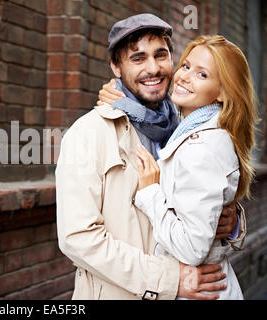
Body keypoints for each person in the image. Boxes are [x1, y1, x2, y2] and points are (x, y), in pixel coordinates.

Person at [56, 13, 245, 300]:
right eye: (138, 59)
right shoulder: (88, 134)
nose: (153, 68)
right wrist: (169, 279)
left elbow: (200, 204)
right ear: (116, 68)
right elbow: (79, 239)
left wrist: (232, 223)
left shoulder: (185, 127)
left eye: (161, 55)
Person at [132, 35, 257, 299]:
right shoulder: (190, 127)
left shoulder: (202, 147)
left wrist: (150, 193)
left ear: (222, 92)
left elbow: (191, 249)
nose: (184, 76)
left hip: (200, 288)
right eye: (186, 66)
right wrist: (117, 92)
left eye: (202, 74)